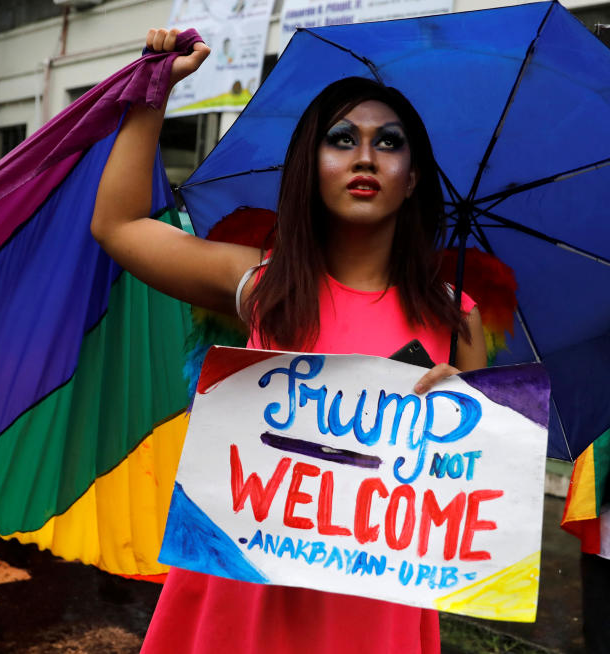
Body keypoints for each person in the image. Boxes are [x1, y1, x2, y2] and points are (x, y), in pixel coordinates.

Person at [90, 29, 486, 654]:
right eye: (341, 139)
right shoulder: (263, 286)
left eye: (389, 143)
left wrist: (461, 418)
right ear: (312, 168)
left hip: (371, 612)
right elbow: (119, 225)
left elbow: (468, 494)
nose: (365, 157)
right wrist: (152, 91)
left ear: (412, 179)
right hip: (243, 594)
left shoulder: (457, 319)